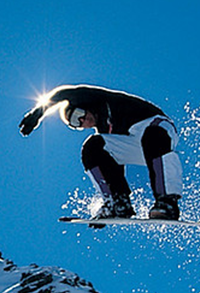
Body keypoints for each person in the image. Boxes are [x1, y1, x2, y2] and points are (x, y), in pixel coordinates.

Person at [19, 84, 182, 220]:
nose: (82, 121)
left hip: (156, 127)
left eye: (78, 114)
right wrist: (116, 206)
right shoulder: (104, 133)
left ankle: (166, 202)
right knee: (93, 146)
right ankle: (116, 203)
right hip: (136, 146)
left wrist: (37, 114)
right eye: (76, 123)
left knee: (151, 136)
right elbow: (114, 166)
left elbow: (62, 94)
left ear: (83, 105)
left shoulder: (100, 101)